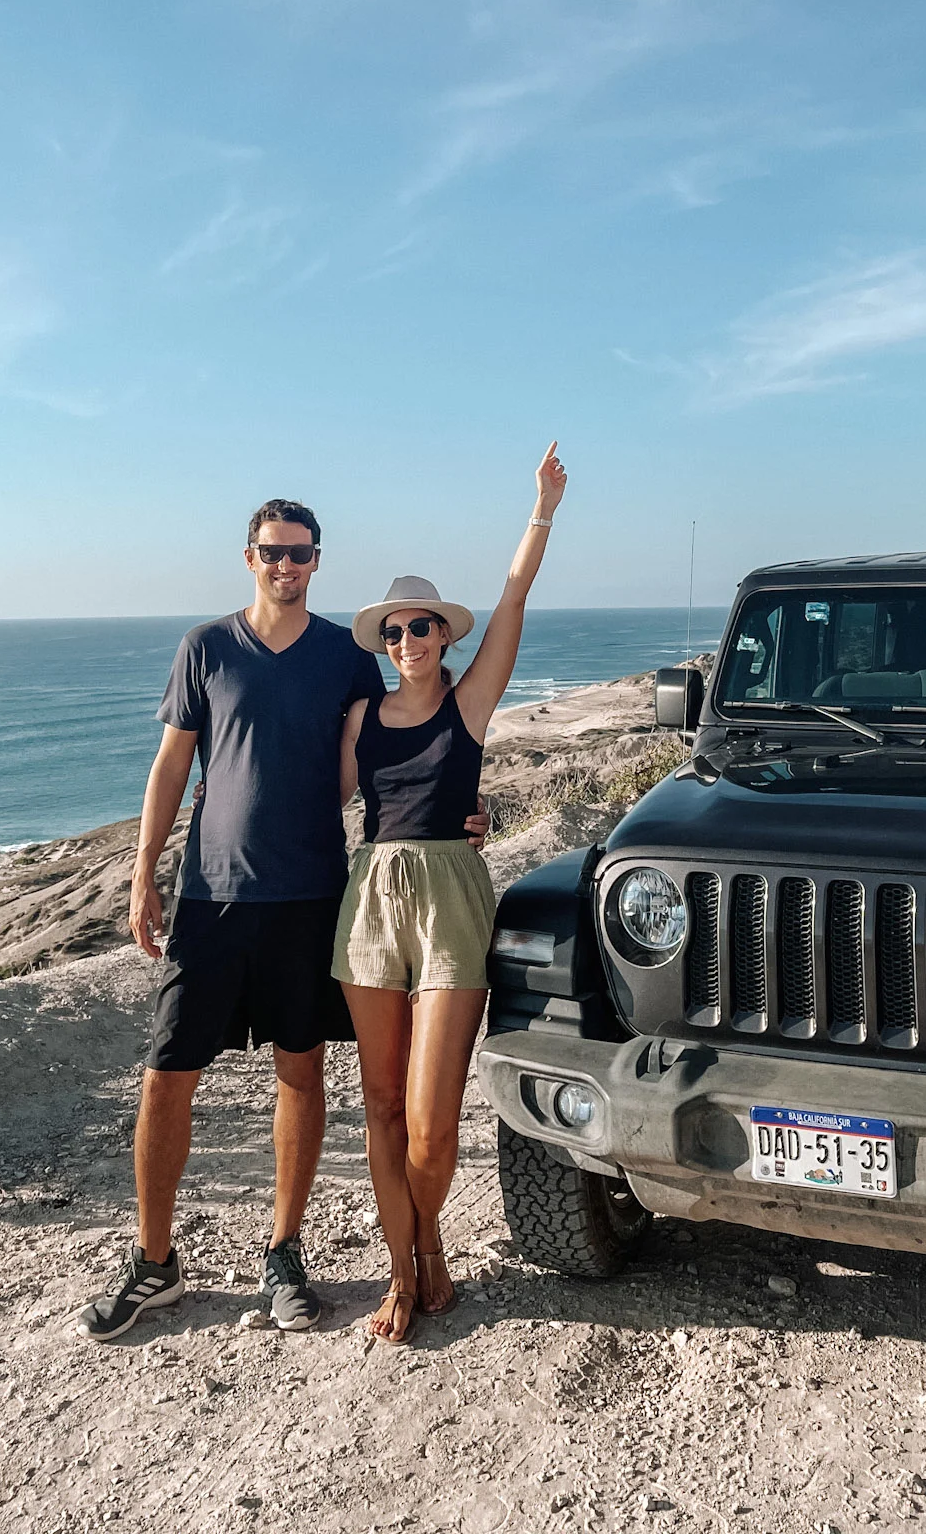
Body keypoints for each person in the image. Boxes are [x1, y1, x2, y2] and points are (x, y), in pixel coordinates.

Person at [78, 498, 489, 1342]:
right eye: (273, 551)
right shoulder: (206, 648)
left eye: (300, 553)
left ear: (316, 561)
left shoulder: (346, 654)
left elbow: (399, 744)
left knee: (301, 1076)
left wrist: (463, 810)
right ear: (249, 556)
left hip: (311, 899)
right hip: (210, 896)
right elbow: (172, 763)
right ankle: (154, 1264)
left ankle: (284, 1252)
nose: (286, 565)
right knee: (166, 1075)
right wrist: (142, 872)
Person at [334, 440, 567, 1344]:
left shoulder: (467, 707)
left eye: (420, 627)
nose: (407, 642)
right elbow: (324, 801)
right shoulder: (359, 717)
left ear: (443, 636)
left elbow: (514, 597)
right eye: (393, 632)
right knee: (382, 1108)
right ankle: (409, 1268)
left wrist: (540, 509)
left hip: (452, 900)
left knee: (432, 1124)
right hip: (372, 902)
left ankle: (426, 1238)